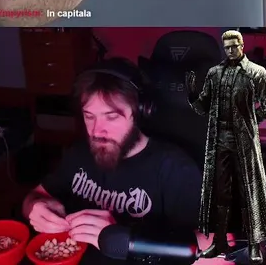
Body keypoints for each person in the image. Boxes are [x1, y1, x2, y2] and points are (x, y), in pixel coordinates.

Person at [21, 60, 202, 262]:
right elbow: (35, 196)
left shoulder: (175, 168)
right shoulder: (78, 153)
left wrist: (129, 241)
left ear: (140, 113)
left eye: (111, 117)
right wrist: (36, 206)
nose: (97, 131)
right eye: (89, 116)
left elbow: (217, 253)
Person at [188, 30, 266, 262]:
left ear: (242, 45)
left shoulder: (256, 72)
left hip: (244, 141)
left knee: (250, 193)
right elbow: (203, 107)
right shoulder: (214, 73)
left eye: (234, 46)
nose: (230, 50)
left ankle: (255, 246)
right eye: (227, 47)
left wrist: (249, 122)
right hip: (219, 140)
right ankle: (218, 243)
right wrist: (192, 95)